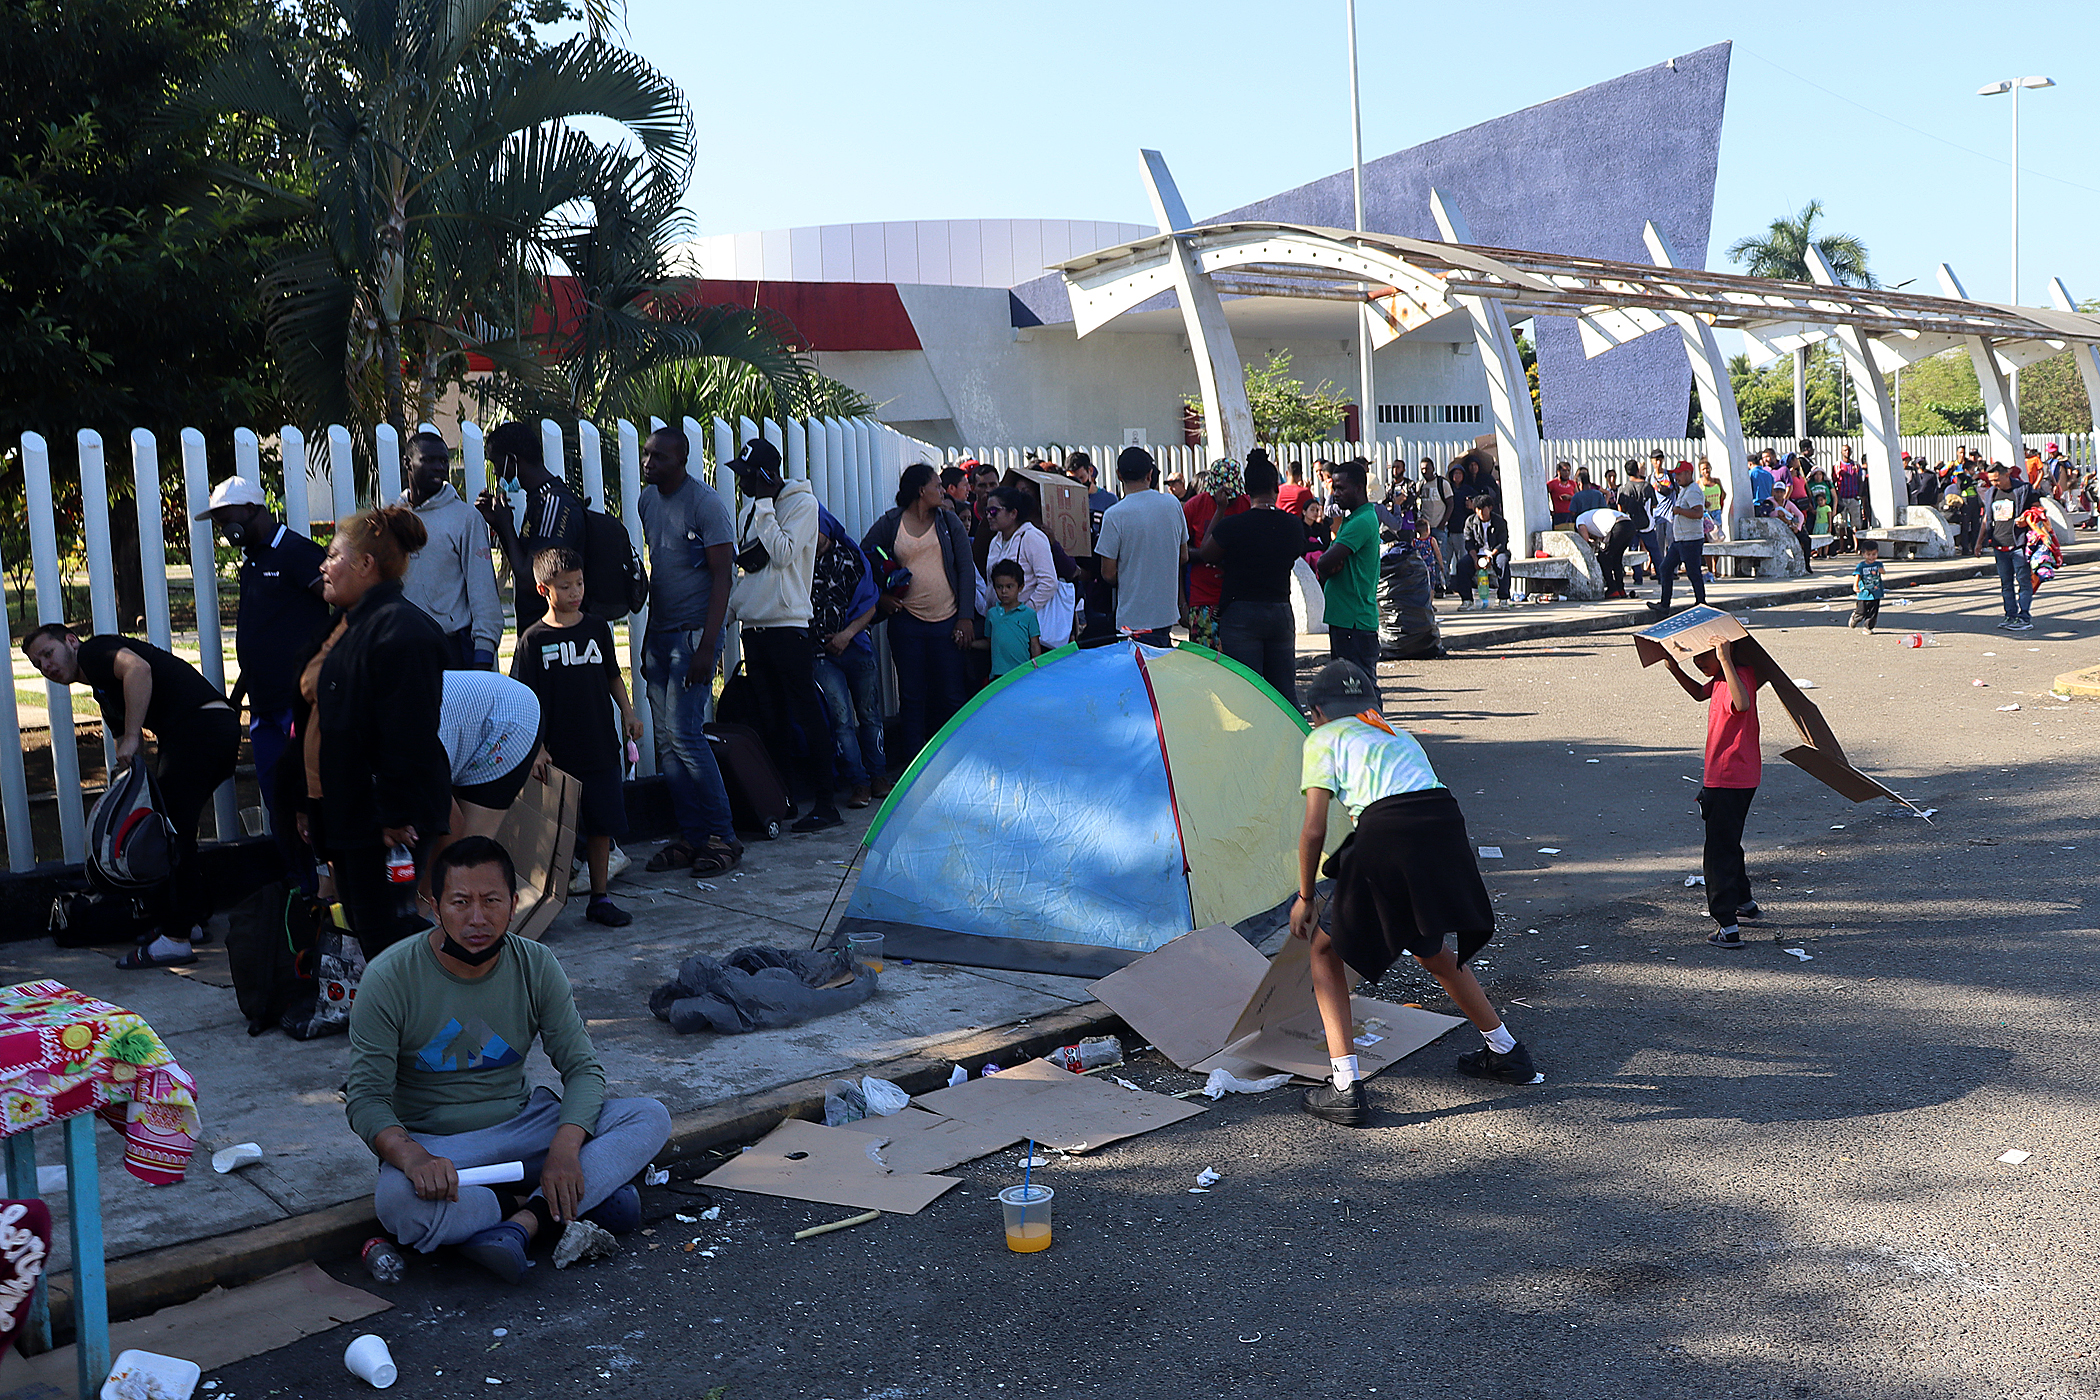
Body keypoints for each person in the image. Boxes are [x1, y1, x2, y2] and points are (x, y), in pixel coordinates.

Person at [346, 837, 670, 1282]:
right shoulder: (388, 978)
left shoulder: (536, 964)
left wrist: (565, 1147)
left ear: (514, 905)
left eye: (491, 901)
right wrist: (413, 1157)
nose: (477, 918)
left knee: (649, 1116)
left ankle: (526, 1221)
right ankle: (557, 1203)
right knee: (397, 1203)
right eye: (460, 902)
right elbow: (365, 1099)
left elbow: (583, 1069)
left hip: (526, 1128)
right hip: (442, 1147)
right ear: (433, 906)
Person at [1290, 660, 1542, 1126]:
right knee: (1427, 943)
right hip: (1442, 824)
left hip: (1389, 830)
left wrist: (1306, 896)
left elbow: (1313, 830)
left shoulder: (1322, 738)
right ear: (1371, 705)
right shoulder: (1397, 734)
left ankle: (1344, 1086)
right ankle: (1505, 1051)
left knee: (1324, 949)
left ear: (1318, 711)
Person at [24, 624, 239, 968]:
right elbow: (123, 747)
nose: (45, 666)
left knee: (171, 835)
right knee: (175, 830)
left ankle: (177, 939)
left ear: (70, 641)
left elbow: (138, 669)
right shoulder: (102, 688)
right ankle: (188, 922)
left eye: (47, 653)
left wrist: (134, 734)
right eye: (38, 664)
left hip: (199, 729)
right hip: (208, 731)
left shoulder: (95, 652)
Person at [310, 507, 452, 954]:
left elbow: (406, 733)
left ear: (366, 565)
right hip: (352, 808)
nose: (323, 565)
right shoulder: (349, 623)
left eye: (333, 555)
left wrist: (393, 815)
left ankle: (426, 1017)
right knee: (366, 927)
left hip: (386, 820)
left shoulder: (403, 632)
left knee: (388, 934)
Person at [193, 475, 328, 879]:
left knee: (309, 796)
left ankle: (326, 887)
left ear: (252, 509)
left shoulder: (296, 552)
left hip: (298, 705)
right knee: (277, 801)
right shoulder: (253, 560)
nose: (223, 527)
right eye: (216, 521)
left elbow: (339, 602)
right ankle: (300, 886)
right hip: (263, 706)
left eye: (225, 517)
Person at [512, 549, 639, 928]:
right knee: (553, 834)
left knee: (602, 825)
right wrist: (535, 748)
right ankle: (544, 905)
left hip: (599, 745)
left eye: (579, 583)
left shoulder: (597, 628)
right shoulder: (532, 640)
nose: (575, 592)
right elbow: (525, 699)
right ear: (543, 589)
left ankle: (600, 898)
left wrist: (629, 712)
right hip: (556, 754)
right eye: (565, 586)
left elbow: (613, 674)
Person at [634, 425, 740, 878]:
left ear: (682, 459)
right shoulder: (646, 501)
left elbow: (723, 577)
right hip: (660, 633)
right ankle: (692, 835)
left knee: (687, 736)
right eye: (645, 455)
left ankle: (723, 836)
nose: (647, 463)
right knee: (665, 744)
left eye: (658, 457)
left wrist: (708, 646)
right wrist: (647, 638)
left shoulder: (706, 504)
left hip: (694, 636)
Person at [725, 439, 840, 833]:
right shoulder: (752, 511)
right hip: (754, 628)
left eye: (748, 476)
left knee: (806, 714)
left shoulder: (802, 506)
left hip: (788, 626)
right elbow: (748, 569)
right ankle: (784, 799)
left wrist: (764, 506)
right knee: (771, 719)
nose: (743, 483)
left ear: (767, 475)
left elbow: (784, 553)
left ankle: (826, 803)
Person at [1655, 631, 1764, 949]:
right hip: (1740, 775)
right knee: (1728, 841)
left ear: (1721, 652)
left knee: (1718, 853)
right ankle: (1744, 902)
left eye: (1703, 657)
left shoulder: (1736, 675)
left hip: (1728, 777)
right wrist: (1676, 669)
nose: (1700, 664)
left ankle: (1727, 925)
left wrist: (1725, 658)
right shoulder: (1721, 679)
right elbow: (1700, 694)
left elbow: (1741, 704)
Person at [864, 463, 974, 761]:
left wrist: (965, 616)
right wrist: (883, 597)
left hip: (948, 622)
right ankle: (914, 764)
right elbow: (865, 556)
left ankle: (959, 760)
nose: (942, 490)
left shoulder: (949, 523)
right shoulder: (891, 523)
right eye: (937, 486)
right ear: (920, 490)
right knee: (912, 697)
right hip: (907, 623)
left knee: (952, 694)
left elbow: (966, 569)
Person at [1199, 452, 1304, 705]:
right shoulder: (1292, 525)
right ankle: (1294, 741)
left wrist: (1221, 510)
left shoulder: (1234, 525)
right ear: (1275, 487)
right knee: (1284, 691)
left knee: (1247, 690)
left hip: (1240, 612)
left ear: (1246, 489)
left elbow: (1206, 552)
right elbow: (1297, 552)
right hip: (1279, 609)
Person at [399, 430, 504, 670]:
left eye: (443, 461)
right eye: (428, 460)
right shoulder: (393, 517)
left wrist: (483, 656)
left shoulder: (465, 518)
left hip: (449, 646)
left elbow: (483, 591)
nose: (439, 467)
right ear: (408, 463)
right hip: (403, 646)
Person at [475, 421, 586, 633]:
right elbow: (524, 562)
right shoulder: (538, 499)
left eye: (497, 464)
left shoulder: (554, 503)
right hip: (536, 630)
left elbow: (529, 578)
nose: (497, 473)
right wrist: (499, 524)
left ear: (512, 460)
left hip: (554, 635)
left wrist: (506, 525)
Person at [809, 511, 884, 809]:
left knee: (869, 714)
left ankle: (879, 776)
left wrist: (847, 635)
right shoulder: (797, 562)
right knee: (841, 720)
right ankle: (858, 782)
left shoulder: (852, 558)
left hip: (857, 647)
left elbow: (871, 603)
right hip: (821, 654)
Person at [1094, 446, 1187, 647]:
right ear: (1150, 474)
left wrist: (1134, 575)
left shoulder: (1114, 514)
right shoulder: (1173, 504)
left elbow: (1108, 573)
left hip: (1133, 616)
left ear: (1119, 475)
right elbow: (1183, 555)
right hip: (1166, 612)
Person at [1313, 458, 1380, 685]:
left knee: (1361, 688)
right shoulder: (1351, 519)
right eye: (1334, 488)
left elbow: (1324, 563)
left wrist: (1328, 567)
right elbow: (1328, 564)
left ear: (1359, 488)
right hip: (1344, 618)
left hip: (1355, 621)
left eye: (1341, 488)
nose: (1336, 493)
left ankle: (1373, 722)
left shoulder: (1361, 521)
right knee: (1346, 689)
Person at [1182, 458, 1251, 650]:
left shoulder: (1247, 505)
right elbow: (1180, 554)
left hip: (1239, 599)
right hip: (1203, 597)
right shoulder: (1194, 506)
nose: (1228, 500)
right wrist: (1182, 603)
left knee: (1238, 663)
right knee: (1205, 663)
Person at [1976, 463, 2040, 630]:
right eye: (1991, 480)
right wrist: (1979, 542)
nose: (1995, 483)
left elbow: (2039, 509)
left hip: (2018, 544)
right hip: (1999, 545)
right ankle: (2010, 615)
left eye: (1997, 479)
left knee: (2023, 582)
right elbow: (1986, 519)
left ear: (2007, 474)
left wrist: (2026, 517)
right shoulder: (1991, 493)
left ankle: (2024, 617)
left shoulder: (2023, 489)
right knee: (2006, 584)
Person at [985, 485, 1057, 620]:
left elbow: (1049, 582)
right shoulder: (995, 541)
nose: (989, 516)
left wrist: (1024, 613)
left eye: (994, 511)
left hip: (1025, 624)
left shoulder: (1032, 537)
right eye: (987, 511)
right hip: (1000, 620)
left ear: (1013, 513)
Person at [1647, 461, 1709, 616]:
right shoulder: (1684, 490)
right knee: (1665, 568)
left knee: (1693, 572)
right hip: (1680, 539)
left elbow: (1698, 513)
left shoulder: (1693, 490)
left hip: (1691, 540)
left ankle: (1701, 603)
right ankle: (1664, 604)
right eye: (1676, 474)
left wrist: (1679, 511)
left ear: (1689, 473)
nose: (1677, 477)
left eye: (1680, 474)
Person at [979, 560, 1044, 677]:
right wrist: (970, 644)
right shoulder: (992, 614)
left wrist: (1036, 670)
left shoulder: (1029, 614)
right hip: (998, 675)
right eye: (999, 587)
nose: (1004, 591)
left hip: (1023, 674)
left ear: (1020, 587)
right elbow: (989, 642)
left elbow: (1035, 645)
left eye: (1009, 586)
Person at [1454, 495, 1511, 610]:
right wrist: (1476, 559)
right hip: (1477, 553)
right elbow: (1469, 543)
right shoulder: (1470, 522)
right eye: (1477, 509)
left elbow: (1502, 542)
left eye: (1483, 509)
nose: (1480, 512)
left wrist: (1491, 556)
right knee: (1462, 565)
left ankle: (1503, 598)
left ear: (1490, 508)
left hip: (1495, 552)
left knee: (1503, 563)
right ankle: (1467, 600)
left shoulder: (1499, 522)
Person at [1576, 502, 1634, 598]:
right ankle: (1620, 589)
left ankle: (1612, 589)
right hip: (1629, 525)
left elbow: (1585, 539)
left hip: (1618, 526)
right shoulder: (1591, 518)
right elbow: (1605, 538)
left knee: (1603, 559)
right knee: (1616, 559)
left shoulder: (1579, 520)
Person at [1617, 460, 1660, 587]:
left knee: (1634, 550)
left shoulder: (1624, 488)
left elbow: (1621, 507)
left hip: (1631, 524)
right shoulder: (1647, 486)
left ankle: (1638, 577)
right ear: (1637, 470)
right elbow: (1655, 504)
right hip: (1647, 523)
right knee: (1654, 550)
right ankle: (1661, 575)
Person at [1849, 541, 1884, 634]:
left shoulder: (1878, 564)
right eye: (1869, 554)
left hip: (1876, 592)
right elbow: (1857, 575)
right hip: (1864, 592)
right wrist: (1855, 585)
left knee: (1873, 612)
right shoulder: (1861, 566)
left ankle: (1868, 627)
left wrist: (1882, 571)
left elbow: (1883, 572)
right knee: (1862, 611)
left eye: (1874, 554)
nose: (1871, 557)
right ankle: (1856, 617)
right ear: (1863, 554)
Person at [1546, 461, 1579, 526]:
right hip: (1559, 515)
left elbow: (1578, 498)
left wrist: (1570, 498)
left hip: (1571, 514)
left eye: (1568, 470)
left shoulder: (1573, 483)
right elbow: (1543, 498)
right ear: (1558, 471)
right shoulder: (1552, 484)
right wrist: (1549, 511)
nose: (1566, 473)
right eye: (1564, 470)